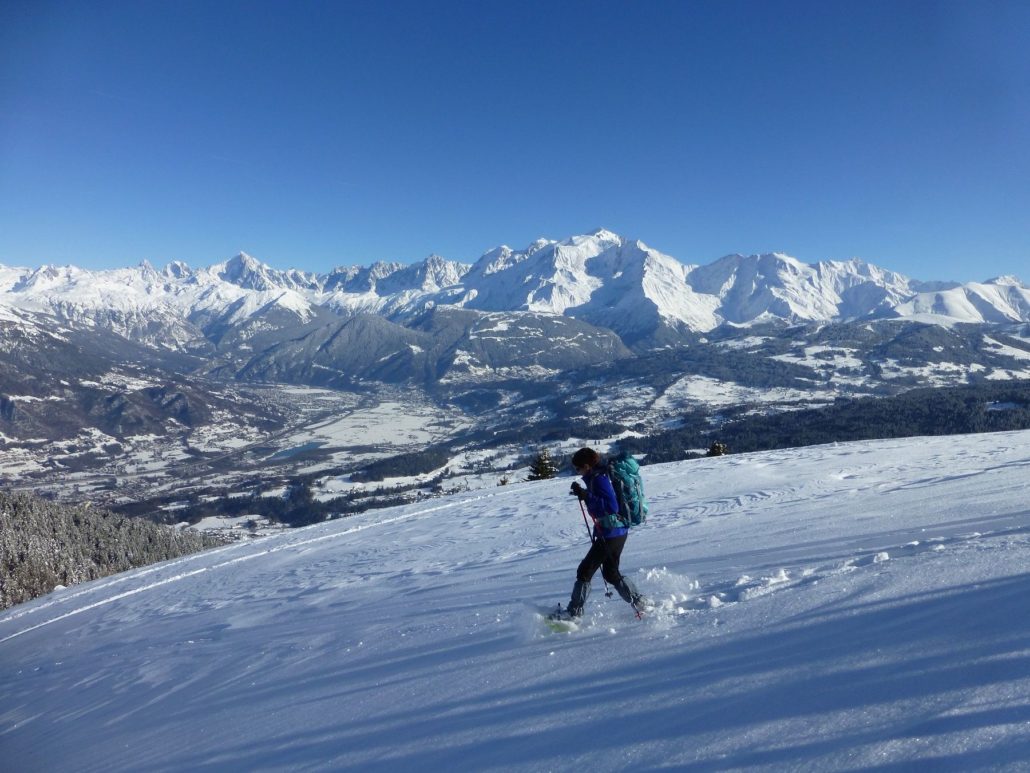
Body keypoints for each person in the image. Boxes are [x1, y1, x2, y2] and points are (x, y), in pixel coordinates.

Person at [552, 447, 650, 619]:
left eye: (578, 468)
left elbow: (611, 506)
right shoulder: (597, 476)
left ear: (587, 466)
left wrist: (586, 495)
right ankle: (639, 601)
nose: (577, 471)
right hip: (617, 532)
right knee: (611, 573)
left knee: (585, 570)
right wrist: (584, 493)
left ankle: (573, 614)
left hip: (610, 533)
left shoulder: (599, 479)